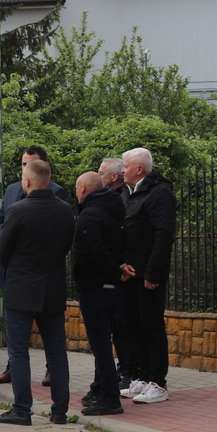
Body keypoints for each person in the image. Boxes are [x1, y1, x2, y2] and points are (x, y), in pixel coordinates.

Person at [0, 146, 68, 385]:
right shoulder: (13, 190)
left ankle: (48, 374)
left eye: (30, 164)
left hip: (41, 277)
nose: (26, 169)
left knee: (52, 340)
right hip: (15, 272)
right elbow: (0, 221)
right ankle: (12, 369)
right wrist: (2, 240)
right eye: (23, 164)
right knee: (17, 339)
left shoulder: (56, 194)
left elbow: (59, 237)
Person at [119, 147, 177, 404]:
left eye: (125, 166)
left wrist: (153, 272)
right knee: (133, 326)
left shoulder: (158, 193)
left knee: (151, 326)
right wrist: (122, 264)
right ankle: (142, 377)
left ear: (139, 169)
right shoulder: (128, 193)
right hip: (129, 273)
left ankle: (158, 382)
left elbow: (163, 235)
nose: (121, 170)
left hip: (148, 274)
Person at [72, 171, 131, 417]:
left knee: (100, 345)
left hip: (97, 287)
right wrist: (119, 268)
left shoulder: (90, 215)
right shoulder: (115, 210)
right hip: (111, 286)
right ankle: (99, 389)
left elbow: (95, 250)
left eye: (77, 189)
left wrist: (115, 272)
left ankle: (109, 397)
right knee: (103, 342)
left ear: (84, 189)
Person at [98, 156, 138, 388]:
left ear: (114, 177)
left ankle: (128, 370)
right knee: (116, 326)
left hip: (123, 270)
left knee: (123, 326)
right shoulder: (108, 197)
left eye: (102, 173)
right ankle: (125, 368)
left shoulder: (123, 199)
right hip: (112, 270)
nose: (99, 175)